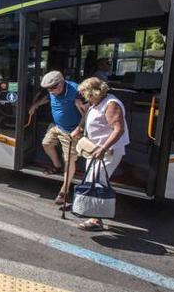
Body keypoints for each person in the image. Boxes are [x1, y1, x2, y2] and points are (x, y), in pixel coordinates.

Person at [71, 77, 129, 231]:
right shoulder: (96, 102)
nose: (83, 96)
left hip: (108, 150)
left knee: (97, 180)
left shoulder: (111, 104)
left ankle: (96, 219)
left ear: (94, 92)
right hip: (95, 148)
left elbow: (119, 129)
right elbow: (87, 116)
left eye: (84, 92)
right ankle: (94, 213)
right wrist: (79, 128)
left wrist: (103, 148)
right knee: (93, 178)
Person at [28, 71, 85, 204]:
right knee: (46, 144)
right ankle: (57, 166)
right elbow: (48, 97)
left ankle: (64, 191)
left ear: (62, 82)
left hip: (72, 130)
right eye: (48, 88)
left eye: (53, 88)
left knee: (69, 159)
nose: (51, 91)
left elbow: (87, 113)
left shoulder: (77, 91)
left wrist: (79, 128)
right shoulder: (52, 91)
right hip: (57, 126)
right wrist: (36, 105)